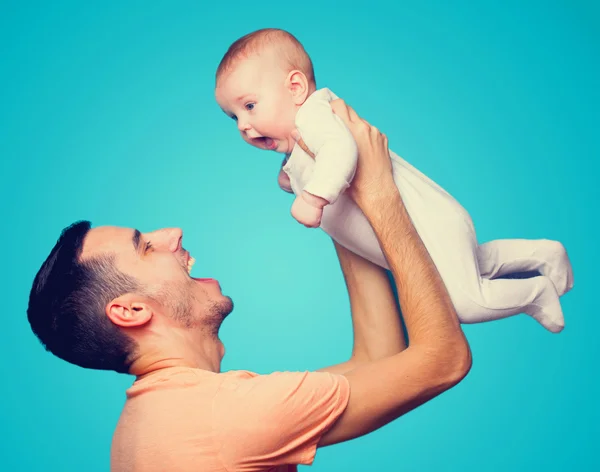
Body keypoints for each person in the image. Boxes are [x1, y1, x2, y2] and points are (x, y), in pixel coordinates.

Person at [27, 100, 472, 471]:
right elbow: (443, 361)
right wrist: (379, 194)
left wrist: (337, 200)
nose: (172, 233)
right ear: (130, 311)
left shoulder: (180, 413)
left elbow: (378, 359)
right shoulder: (226, 416)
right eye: (144, 247)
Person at [214, 28, 574, 334]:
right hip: (418, 231)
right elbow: (312, 161)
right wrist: (290, 175)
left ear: (295, 88)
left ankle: (535, 292)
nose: (243, 125)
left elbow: (342, 150)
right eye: (233, 117)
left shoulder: (316, 115)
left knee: (463, 302)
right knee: (475, 264)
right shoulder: (300, 139)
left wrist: (313, 198)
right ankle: (543, 253)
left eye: (249, 106)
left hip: (426, 222)